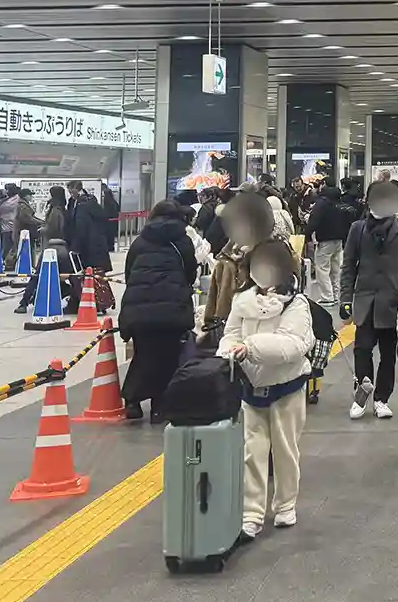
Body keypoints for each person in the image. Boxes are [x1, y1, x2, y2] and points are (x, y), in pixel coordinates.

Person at [217, 238, 315, 540]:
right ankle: (252, 513)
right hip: (251, 388)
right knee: (252, 452)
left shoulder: (297, 303)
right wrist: (229, 351)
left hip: (288, 387)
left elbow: (294, 345)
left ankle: (285, 505)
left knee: (286, 450)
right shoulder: (242, 301)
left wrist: (250, 347)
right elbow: (229, 334)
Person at [342, 179, 398, 421]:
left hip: (392, 302)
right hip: (365, 301)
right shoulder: (358, 228)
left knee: (388, 355)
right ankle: (361, 396)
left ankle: (382, 399)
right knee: (362, 350)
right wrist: (345, 298)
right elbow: (348, 267)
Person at [118, 200, 199, 422]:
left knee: (143, 354)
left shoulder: (140, 242)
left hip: (139, 308)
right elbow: (190, 273)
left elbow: (129, 273)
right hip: (172, 309)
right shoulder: (183, 241)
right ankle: (158, 407)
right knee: (168, 357)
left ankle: (132, 400)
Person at [205, 191, 287, 329]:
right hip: (231, 334)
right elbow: (214, 304)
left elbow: (289, 301)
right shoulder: (226, 261)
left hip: (270, 335)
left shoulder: (279, 256)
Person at [16, 186, 81, 315]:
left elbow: (53, 229)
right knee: (72, 277)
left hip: (53, 247)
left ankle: (23, 303)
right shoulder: (64, 209)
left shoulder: (55, 211)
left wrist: (43, 229)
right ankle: (77, 298)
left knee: (37, 276)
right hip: (64, 248)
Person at [306, 180, 359, 305]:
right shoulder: (340, 205)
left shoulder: (321, 205)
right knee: (335, 269)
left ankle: (327, 297)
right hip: (339, 240)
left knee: (322, 268)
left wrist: (307, 234)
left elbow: (314, 221)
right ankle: (336, 294)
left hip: (325, 240)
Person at [65, 180, 113, 274]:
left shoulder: (82, 206)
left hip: (88, 247)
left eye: (71, 191)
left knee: (89, 275)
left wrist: (75, 247)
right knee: (97, 274)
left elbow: (80, 228)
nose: (71, 194)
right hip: (97, 245)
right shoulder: (91, 202)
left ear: (77, 190)